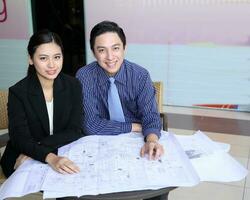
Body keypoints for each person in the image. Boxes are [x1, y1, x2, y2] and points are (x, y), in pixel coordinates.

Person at [76, 20, 166, 200]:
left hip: (135, 142)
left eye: (115, 48)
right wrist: (135, 126)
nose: (110, 57)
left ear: (124, 47)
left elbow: (151, 116)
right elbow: (90, 125)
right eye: (102, 50)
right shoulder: (84, 76)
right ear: (94, 52)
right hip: (99, 142)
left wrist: (152, 139)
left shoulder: (140, 76)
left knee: (156, 184)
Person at [0, 29, 83, 178]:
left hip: (60, 149)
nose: (52, 65)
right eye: (43, 58)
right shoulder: (18, 92)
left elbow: (75, 129)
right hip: (21, 155)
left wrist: (36, 151)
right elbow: (19, 138)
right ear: (31, 59)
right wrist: (49, 157)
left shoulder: (73, 85)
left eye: (57, 57)